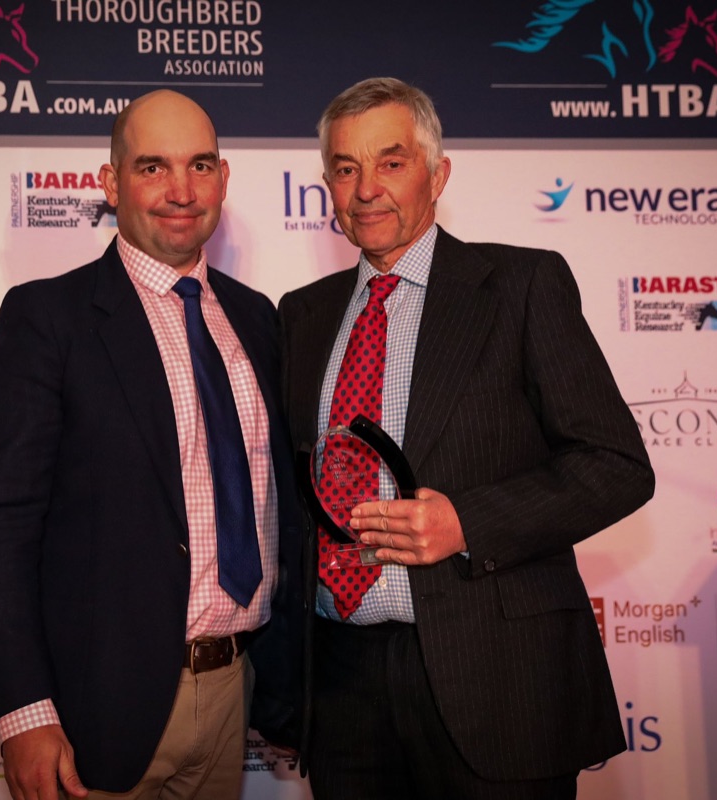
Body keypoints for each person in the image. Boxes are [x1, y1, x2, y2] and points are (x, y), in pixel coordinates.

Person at [278, 77, 655, 799]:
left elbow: (615, 464)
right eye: (346, 168)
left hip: (496, 676)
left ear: (438, 173)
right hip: (341, 685)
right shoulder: (302, 314)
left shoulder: (521, 284)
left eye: (391, 163)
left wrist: (467, 523)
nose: (366, 189)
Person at [0, 89, 301, 800]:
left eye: (199, 165)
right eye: (153, 167)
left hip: (236, 691)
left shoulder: (257, 319)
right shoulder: (48, 318)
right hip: (96, 711)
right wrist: (24, 710)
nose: (181, 190)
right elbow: (0, 525)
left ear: (223, 178)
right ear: (111, 183)